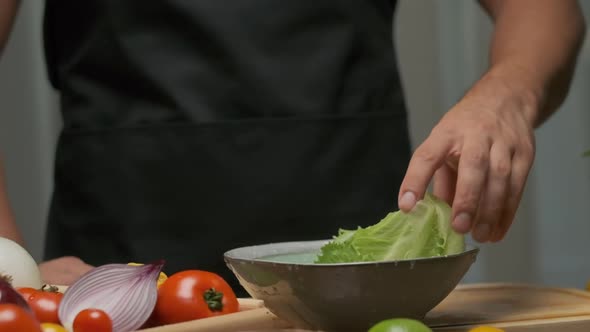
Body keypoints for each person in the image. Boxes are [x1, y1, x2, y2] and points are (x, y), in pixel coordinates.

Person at [0, 1, 585, 293]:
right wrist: (14, 273)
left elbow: (544, 10)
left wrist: (505, 95)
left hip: (363, 282)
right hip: (122, 277)